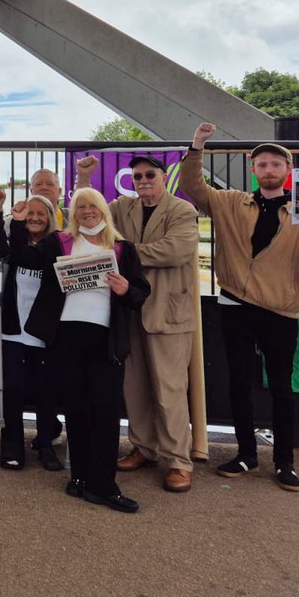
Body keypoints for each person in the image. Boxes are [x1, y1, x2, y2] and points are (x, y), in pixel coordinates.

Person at [181, 123, 299, 492]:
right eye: (263, 164)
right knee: (239, 383)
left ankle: (284, 461)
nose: (270, 169)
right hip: (235, 305)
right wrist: (197, 147)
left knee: (281, 387)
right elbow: (193, 188)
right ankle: (246, 453)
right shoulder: (230, 202)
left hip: (281, 310)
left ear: (288, 171)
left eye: (277, 164)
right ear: (253, 168)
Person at [75, 154, 200, 493]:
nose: (143, 180)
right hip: (128, 313)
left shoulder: (183, 211)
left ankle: (177, 460)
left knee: (170, 390)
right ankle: (143, 447)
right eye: (137, 176)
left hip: (167, 314)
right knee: (135, 388)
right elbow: (90, 217)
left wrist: (124, 255)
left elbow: (175, 251)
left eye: (149, 175)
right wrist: (84, 180)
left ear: (163, 178)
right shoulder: (122, 208)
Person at [20, 187, 150, 512]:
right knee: (76, 409)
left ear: (103, 210)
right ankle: (79, 476)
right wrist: (12, 221)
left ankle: (104, 484)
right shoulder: (59, 243)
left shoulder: (122, 249)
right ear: (74, 214)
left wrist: (125, 288)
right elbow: (24, 258)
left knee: (106, 412)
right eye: (80, 208)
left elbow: (140, 295)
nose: (87, 212)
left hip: (104, 340)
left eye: (92, 206)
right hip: (66, 336)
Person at [0, 191, 65, 472]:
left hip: (44, 331)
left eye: (39, 214)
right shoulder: (16, 244)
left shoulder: (57, 246)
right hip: (13, 330)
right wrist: (1, 213)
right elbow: (5, 249)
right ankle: (12, 445)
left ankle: (45, 444)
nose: (34, 218)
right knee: (13, 390)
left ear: (49, 219)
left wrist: (18, 225)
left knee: (46, 391)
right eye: (29, 213)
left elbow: (34, 259)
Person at [0, 167, 68, 230]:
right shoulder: (14, 220)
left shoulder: (72, 217)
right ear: (31, 190)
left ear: (60, 191)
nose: (44, 187)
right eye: (38, 184)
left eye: (50, 184)